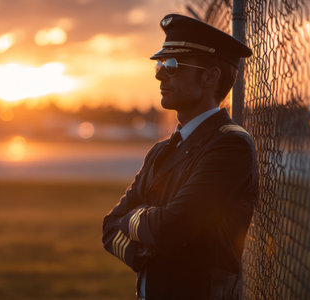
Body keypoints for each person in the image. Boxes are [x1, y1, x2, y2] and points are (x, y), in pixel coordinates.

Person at [102, 14, 259, 300]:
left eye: (172, 65)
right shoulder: (161, 151)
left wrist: (136, 221)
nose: (159, 74)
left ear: (210, 76)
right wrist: (147, 255)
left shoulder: (230, 146)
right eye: (160, 64)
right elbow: (110, 226)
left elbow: (170, 229)